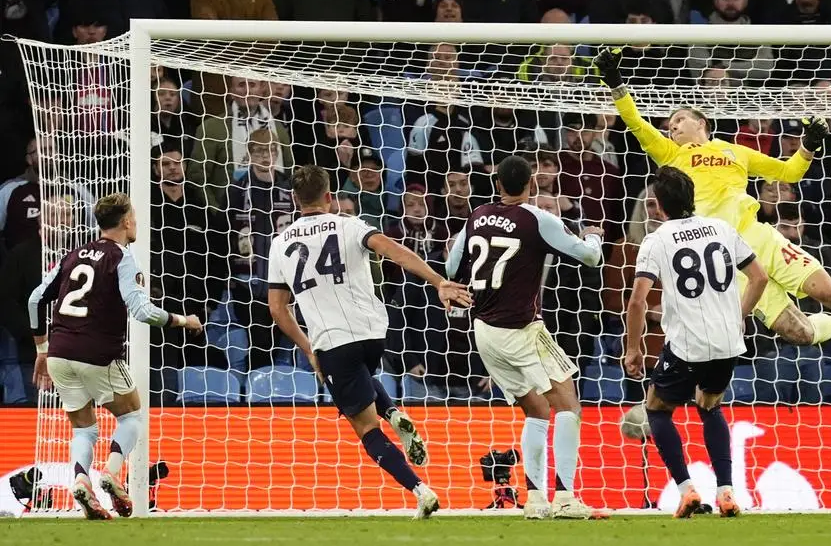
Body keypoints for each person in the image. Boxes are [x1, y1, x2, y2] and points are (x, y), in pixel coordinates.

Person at [595, 47, 831, 360]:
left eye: (680, 119)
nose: (673, 127)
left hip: (759, 238)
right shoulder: (671, 154)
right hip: (728, 260)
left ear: (702, 123)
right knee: (800, 333)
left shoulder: (736, 151)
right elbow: (636, 123)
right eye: (670, 126)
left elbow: (789, 172)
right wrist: (615, 83)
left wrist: (808, 146)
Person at [267, 165, 472, 520]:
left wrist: (309, 348)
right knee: (362, 375)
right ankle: (393, 412)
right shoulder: (350, 224)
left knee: (365, 427)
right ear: (329, 196)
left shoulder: (281, 243)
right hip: (375, 333)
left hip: (332, 340)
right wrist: (439, 281)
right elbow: (395, 250)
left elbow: (277, 308)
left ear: (295, 200)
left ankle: (420, 491)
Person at [444, 155, 609, 520]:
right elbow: (589, 258)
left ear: (498, 185)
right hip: (521, 329)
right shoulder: (538, 219)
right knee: (568, 406)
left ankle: (535, 500)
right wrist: (593, 237)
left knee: (536, 410)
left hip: (484, 331)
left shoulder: (476, 216)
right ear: (531, 184)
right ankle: (564, 497)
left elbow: (452, 267)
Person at [27, 193, 205, 519]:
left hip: (59, 353)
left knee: (84, 430)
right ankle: (111, 472)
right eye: (133, 215)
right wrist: (184, 321)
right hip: (97, 353)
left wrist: (41, 350)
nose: (135, 221)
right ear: (125, 221)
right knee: (131, 416)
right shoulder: (122, 257)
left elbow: (35, 299)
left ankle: (81, 480)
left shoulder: (73, 255)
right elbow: (141, 311)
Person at [623, 166, 768, 517]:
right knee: (709, 406)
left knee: (657, 409)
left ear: (658, 206)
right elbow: (760, 278)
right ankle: (726, 492)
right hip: (728, 342)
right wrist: (739, 316)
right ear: (693, 197)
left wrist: (633, 348)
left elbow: (638, 301)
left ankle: (686, 490)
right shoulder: (721, 228)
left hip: (687, 344)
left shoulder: (657, 240)